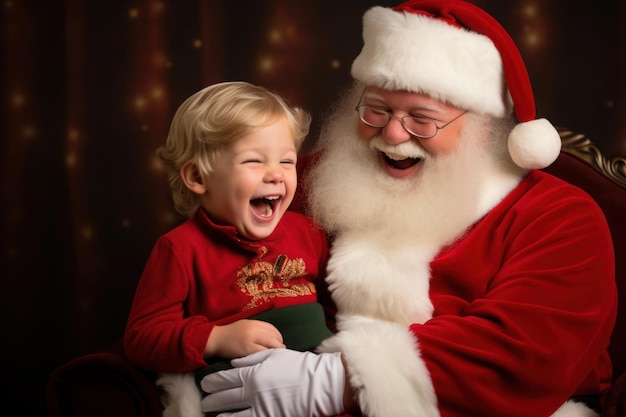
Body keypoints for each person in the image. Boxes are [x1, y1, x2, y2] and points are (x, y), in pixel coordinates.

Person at [199, 1, 618, 417]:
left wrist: (332, 382)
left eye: (423, 119)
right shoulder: (301, 185)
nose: (393, 133)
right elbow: (205, 267)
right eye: (377, 109)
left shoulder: (559, 217)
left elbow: (528, 352)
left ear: (481, 127)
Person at [123, 81, 334, 417]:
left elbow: (338, 307)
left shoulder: (308, 231)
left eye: (286, 161)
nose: (276, 175)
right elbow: (142, 338)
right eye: (253, 161)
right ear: (197, 177)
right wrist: (216, 338)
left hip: (316, 377)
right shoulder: (179, 248)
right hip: (240, 389)